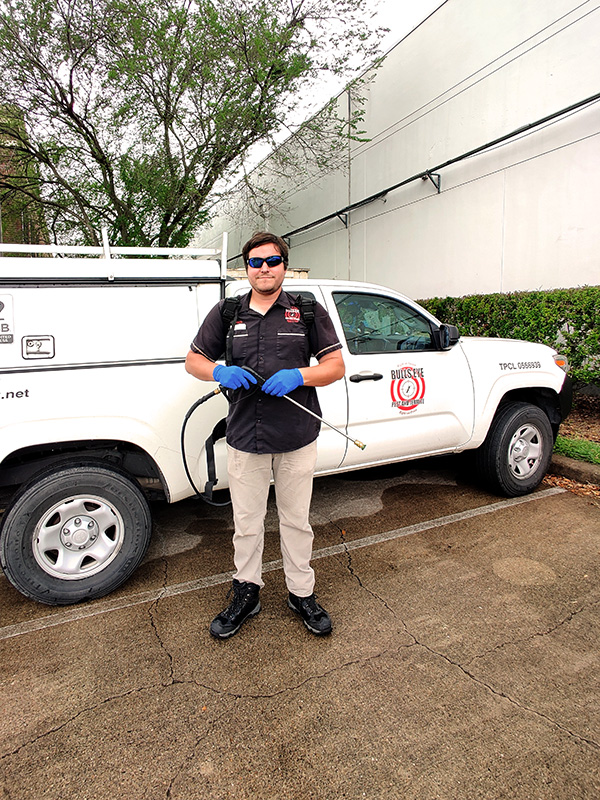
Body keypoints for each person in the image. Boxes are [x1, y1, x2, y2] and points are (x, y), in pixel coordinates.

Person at [185, 231, 345, 639]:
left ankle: (300, 592)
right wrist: (218, 370)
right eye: (256, 262)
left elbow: (335, 367)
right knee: (247, 523)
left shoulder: (307, 310)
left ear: (284, 267)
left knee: (295, 521)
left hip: (296, 436)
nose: (264, 269)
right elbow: (193, 360)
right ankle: (247, 592)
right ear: (247, 268)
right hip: (245, 437)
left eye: (272, 261)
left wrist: (299, 375)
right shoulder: (227, 312)